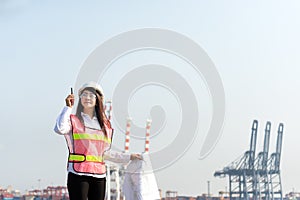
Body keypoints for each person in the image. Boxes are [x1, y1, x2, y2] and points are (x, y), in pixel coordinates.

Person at [54, 81, 141, 200]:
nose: (87, 98)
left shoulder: (104, 126)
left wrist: (130, 156)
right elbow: (60, 128)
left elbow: (105, 154)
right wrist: (68, 108)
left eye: (91, 95)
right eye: (84, 95)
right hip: (78, 174)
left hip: (99, 175)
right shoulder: (74, 120)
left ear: (98, 100)